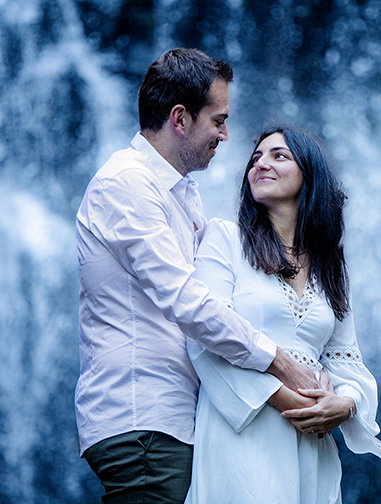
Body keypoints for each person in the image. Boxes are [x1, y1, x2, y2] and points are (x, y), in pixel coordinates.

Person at [74, 49, 318, 504]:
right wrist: (279, 362)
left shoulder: (181, 193)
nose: (226, 136)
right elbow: (185, 299)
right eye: (219, 120)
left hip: (175, 420)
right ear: (180, 118)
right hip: (144, 418)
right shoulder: (125, 184)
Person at [184, 125, 381, 504]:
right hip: (244, 429)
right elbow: (202, 337)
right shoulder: (225, 239)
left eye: (279, 155)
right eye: (255, 158)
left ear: (309, 175)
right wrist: (285, 398)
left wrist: (345, 404)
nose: (261, 163)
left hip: (312, 438)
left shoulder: (330, 264)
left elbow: (348, 362)